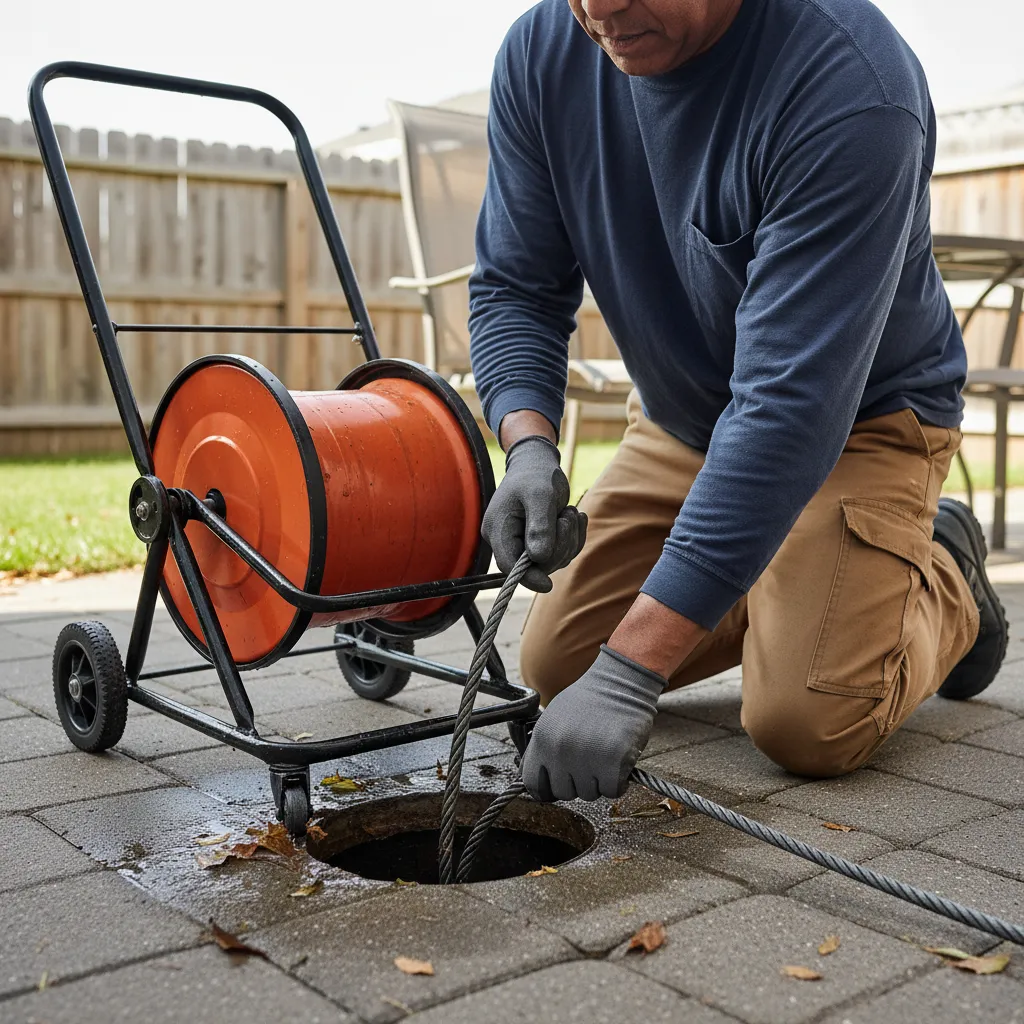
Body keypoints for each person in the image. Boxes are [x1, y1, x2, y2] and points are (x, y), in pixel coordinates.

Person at [468, 0, 1009, 804]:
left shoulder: (852, 83)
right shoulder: (542, 54)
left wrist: (634, 668)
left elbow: (790, 406)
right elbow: (516, 286)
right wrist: (530, 446)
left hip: (860, 420)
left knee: (807, 721)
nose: (599, 9)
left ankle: (945, 572)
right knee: (556, 666)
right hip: (684, 421)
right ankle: (796, 575)